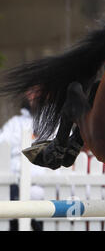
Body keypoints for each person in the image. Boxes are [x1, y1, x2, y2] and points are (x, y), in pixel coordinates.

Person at [0, 91, 46, 230]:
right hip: (14, 182)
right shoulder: (14, 123)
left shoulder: (56, 123)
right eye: (31, 91)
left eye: (39, 90)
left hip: (45, 186)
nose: (34, 96)